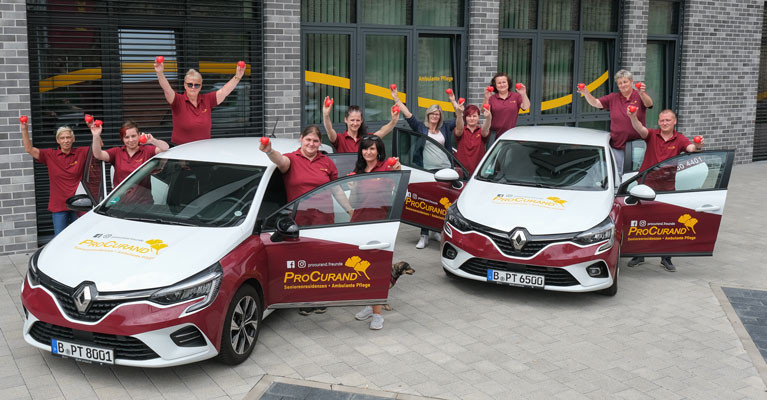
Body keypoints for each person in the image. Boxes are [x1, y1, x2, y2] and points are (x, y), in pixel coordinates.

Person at [259, 125, 354, 315]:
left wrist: (351, 211)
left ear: (320, 143)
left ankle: (321, 296)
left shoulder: (326, 162)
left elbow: (336, 190)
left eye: (316, 141)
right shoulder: (292, 159)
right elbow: (280, 160)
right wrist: (269, 150)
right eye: (308, 139)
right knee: (302, 260)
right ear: (301, 139)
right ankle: (304, 298)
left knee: (323, 260)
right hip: (299, 221)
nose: (311, 144)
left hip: (324, 218)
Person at [626, 108, 704, 272]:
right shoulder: (652, 135)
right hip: (645, 185)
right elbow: (639, 128)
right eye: (662, 120)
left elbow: (691, 148)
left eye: (668, 120)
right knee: (643, 222)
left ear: (674, 121)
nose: (664, 123)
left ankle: (666, 258)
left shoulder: (679, 138)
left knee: (668, 223)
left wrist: (697, 146)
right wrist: (633, 116)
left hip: (667, 187)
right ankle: (639, 254)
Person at [390, 87, 457, 249]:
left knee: (443, 203)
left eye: (437, 113)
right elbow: (408, 115)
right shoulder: (420, 127)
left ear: (440, 116)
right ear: (428, 115)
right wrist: (396, 99)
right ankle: (424, 235)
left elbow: (459, 118)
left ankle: (437, 232)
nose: (435, 116)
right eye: (432, 113)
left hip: (446, 170)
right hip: (428, 170)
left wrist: (454, 102)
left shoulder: (445, 128)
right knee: (428, 202)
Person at [349, 135, 402, 330]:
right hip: (360, 223)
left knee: (377, 269)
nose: (368, 152)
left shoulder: (387, 168)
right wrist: (353, 187)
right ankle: (370, 305)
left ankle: (378, 315)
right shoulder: (358, 171)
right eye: (365, 149)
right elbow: (354, 203)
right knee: (363, 268)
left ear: (379, 150)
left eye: (372, 149)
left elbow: (399, 185)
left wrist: (398, 169)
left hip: (380, 224)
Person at [578, 69, 653, 180]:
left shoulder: (639, 95)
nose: (623, 85)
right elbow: (596, 103)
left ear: (631, 82)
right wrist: (586, 93)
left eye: (625, 81)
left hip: (637, 146)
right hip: (618, 145)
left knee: (636, 174)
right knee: (617, 174)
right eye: (620, 83)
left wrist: (642, 93)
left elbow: (649, 104)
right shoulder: (613, 98)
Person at [21, 122, 89, 236]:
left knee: (80, 236)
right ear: (58, 140)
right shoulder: (50, 155)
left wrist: (94, 131)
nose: (66, 140)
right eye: (62, 138)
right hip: (59, 205)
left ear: (73, 139)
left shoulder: (81, 152)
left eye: (68, 137)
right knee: (59, 237)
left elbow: (99, 148)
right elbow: (29, 149)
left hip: (78, 203)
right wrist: (24, 129)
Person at [155, 61, 245, 145]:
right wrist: (160, 73)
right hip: (181, 154)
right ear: (185, 85)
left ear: (201, 86)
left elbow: (224, 91)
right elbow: (167, 89)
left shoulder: (207, 100)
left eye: (196, 85)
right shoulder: (178, 100)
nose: (193, 87)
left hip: (203, 151)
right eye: (190, 84)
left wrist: (238, 76)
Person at [90, 121, 169, 186]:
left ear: (139, 135)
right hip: (120, 202)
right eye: (127, 137)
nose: (131, 140)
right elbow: (98, 154)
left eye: (133, 136)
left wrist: (153, 141)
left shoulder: (147, 150)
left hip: (144, 202)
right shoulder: (117, 152)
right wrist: (96, 135)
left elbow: (165, 148)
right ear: (122, 139)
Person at [322, 99, 400, 153]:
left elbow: (382, 131)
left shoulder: (367, 138)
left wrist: (394, 121)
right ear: (346, 120)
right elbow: (329, 130)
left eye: (358, 120)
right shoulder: (339, 139)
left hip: (362, 176)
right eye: (352, 120)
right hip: (346, 176)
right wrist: (326, 115)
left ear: (362, 120)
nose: (355, 123)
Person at [483, 73, 530, 143]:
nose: (502, 85)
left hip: (511, 134)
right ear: (495, 85)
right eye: (499, 83)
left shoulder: (516, 96)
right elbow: (483, 110)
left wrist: (523, 94)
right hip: (494, 135)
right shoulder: (492, 98)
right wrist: (486, 98)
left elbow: (526, 107)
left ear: (508, 83)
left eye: (504, 82)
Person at [453, 100, 492, 175]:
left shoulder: (481, 131)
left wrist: (488, 118)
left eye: (474, 116)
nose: (472, 118)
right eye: (469, 116)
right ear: (465, 118)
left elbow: (485, 130)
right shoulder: (461, 130)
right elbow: (459, 128)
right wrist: (459, 114)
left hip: (478, 172)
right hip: (462, 172)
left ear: (478, 118)